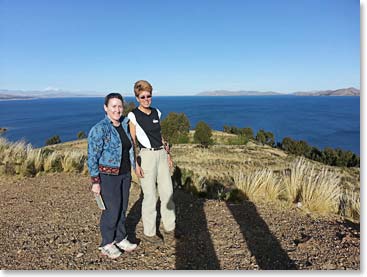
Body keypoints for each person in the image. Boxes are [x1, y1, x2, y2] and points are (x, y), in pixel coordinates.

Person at [87, 93, 138, 259]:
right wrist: (95, 181)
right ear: (106, 108)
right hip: (108, 176)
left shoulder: (124, 124)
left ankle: (120, 237)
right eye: (113, 106)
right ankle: (107, 243)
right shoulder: (99, 129)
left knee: (122, 207)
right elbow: (92, 157)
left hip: (124, 174)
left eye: (120, 106)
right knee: (111, 209)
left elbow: (130, 147)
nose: (117, 109)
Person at [128, 80, 176, 245]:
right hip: (146, 157)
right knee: (149, 196)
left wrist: (168, 154)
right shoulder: (133, 115)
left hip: (161, 154)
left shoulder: (157, 112)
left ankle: (170, 228)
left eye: (149, 95)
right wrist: (135, 163)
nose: (146, 99)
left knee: (167, 192)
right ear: (137, 97)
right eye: (143, 96)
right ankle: (150, 232)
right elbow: (132, 141)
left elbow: (159, 135)